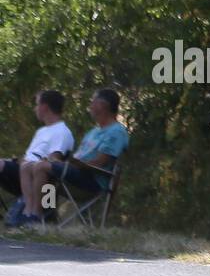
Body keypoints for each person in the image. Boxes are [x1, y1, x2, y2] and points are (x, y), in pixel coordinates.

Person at [17, 88, 128, 226]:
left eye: (93, 101)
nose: (90, 105)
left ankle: (36, 215)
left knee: (42, 167)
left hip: (92, 180)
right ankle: (41, 214)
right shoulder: (93, 132)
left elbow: (100, 162)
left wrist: (73, 164)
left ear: (102, 105)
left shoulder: (117, 132)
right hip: (78, 172)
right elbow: (77, 156)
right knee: (33, 166)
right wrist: (61, 162)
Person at [2, 90, 75, 225]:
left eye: (36, 105)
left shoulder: (62, 131)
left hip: (41, 176)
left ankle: (31, 212)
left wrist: (26, 162)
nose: (35, 109)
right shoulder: (41, 131)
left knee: (23, 166)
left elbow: (55, 158)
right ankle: (20, 212)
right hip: (25, 170)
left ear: (44, 107)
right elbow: (28, 155)